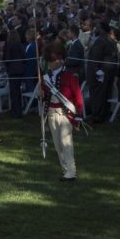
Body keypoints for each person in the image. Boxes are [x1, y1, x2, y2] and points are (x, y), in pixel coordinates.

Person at [37, 41, 83, 181]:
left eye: (53, 61)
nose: (50, 64)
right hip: (51, 113)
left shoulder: (70, 76)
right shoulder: (46, 78)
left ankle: (71, 173)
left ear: (60, 59)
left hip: (65, 114)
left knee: (66, 143)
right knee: (58, 145)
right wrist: (41, 93)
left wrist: (79, 116)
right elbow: (45, 95)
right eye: (49, 61)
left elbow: (78, 98)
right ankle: (65, 171)